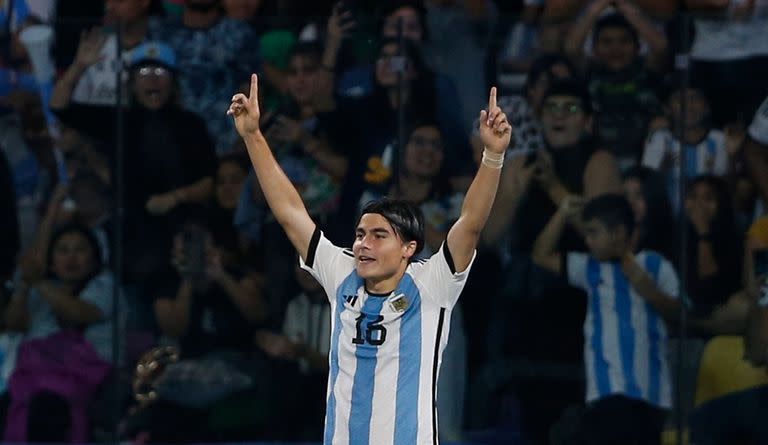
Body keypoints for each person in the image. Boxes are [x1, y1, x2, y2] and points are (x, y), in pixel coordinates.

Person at [228, 74, 510, 443]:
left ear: (409, 248)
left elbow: (471, 223)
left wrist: (492, 156)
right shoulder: (341, 271)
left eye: (379, 236)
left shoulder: (433, 284)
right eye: (361, 234)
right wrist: (253, 136)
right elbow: (289, 212)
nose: (363, 244)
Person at [532, 194, 680, 445]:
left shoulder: (655, 265)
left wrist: (649, 292)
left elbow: (680, 316)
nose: (587, 241)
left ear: (618, 233)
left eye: (594, 233)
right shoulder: (589, 268)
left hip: (649, 396)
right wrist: (563, 213)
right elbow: (540, 255)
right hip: (606, 392)